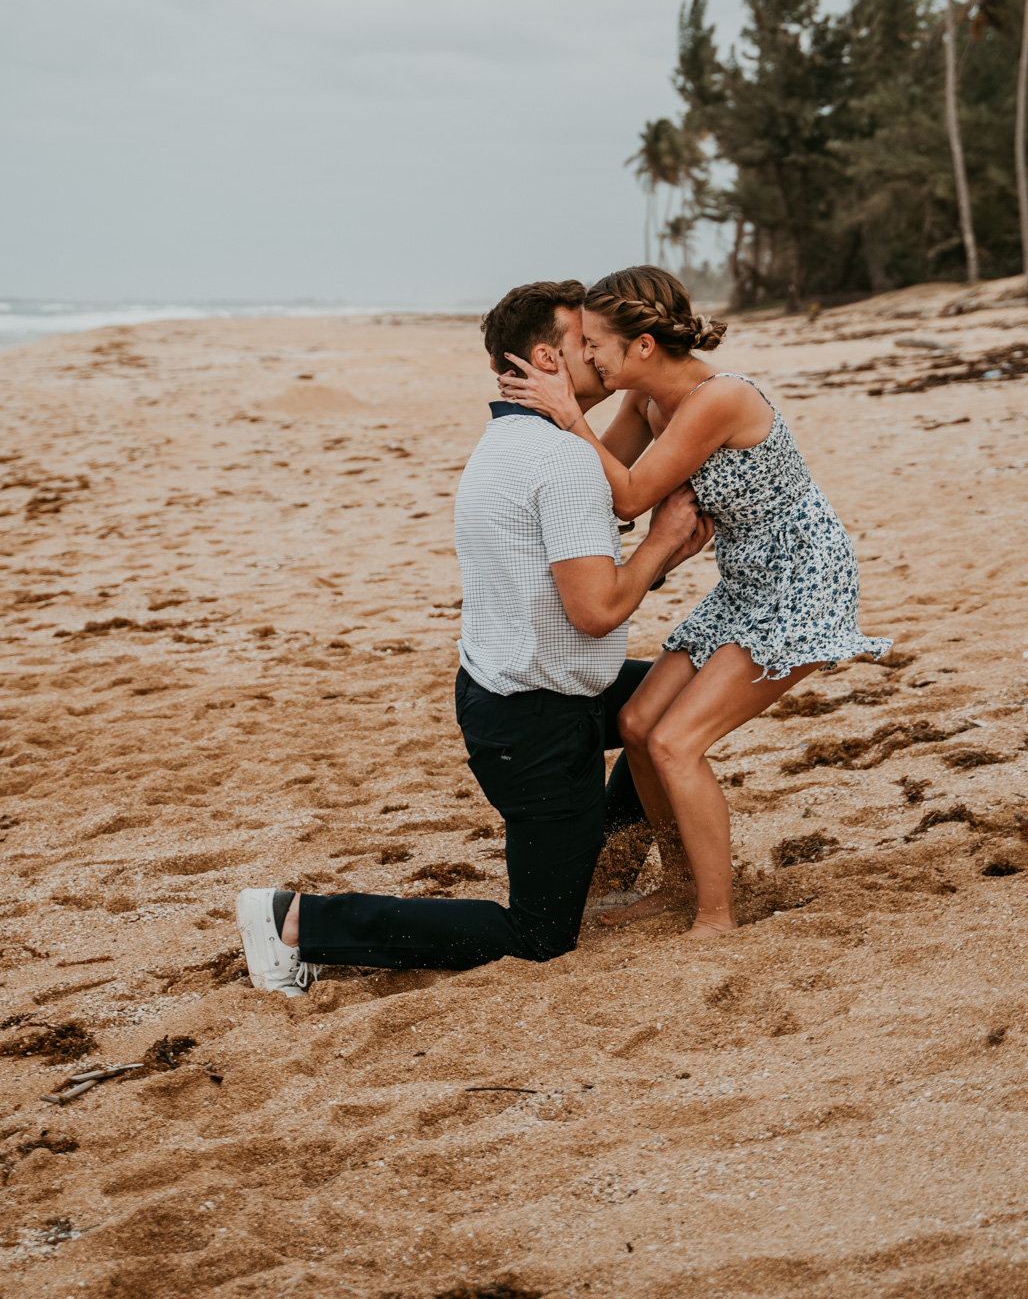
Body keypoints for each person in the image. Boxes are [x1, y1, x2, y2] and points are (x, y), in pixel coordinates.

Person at [235, 278, 712, 995]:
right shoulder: (562, 460)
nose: (600, 354)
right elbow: (594, 612)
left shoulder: (510, 439)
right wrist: (663, 540)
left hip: (528, 693)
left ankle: (604, 855)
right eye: (585, 344)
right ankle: (297, 920)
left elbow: (570, 590)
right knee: (539, 938)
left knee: (684, 702)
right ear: (548, 361)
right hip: (537, 726)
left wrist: (655, 561)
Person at [497, 264, 891, 941]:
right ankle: (680, 885)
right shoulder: (647, 401)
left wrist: (568, 414)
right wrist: (547, 426)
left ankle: (716, 916)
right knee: (640, 724)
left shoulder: (721, 398)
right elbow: (599, 481)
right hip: (744, 582)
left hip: (801, 582)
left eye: (594, 344)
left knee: (677, 742)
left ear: (643, 346)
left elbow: (628, 495)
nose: (584, 357)